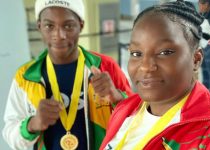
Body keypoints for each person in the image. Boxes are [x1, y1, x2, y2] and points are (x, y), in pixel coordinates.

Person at [2, 0, 132, 150]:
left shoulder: (105, 67)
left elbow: (139, 120)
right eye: (49, 26)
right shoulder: (25, 77)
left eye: (68, 26)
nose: (59, 35)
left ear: (81, 25)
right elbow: (10, 134)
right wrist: (33, 124)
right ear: (39, 26)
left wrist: (116, 97)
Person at [100, 1, 210, 149]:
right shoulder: (125, 109)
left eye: (164, 52)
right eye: (136, 53)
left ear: (196, 59)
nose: (145, 66)